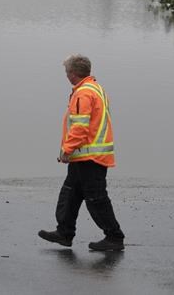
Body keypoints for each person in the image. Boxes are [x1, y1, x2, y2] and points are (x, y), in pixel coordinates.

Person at [38, 54, 125, 251]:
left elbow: (79, 127)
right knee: (70, 194)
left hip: (90, 157)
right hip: (85, 156)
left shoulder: (83, 94)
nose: (66, 75)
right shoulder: (95, 88)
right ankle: (64, 233)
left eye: (67, 71)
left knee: (96, 199)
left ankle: (114, 237)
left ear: (73, 73)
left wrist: (66, 150)